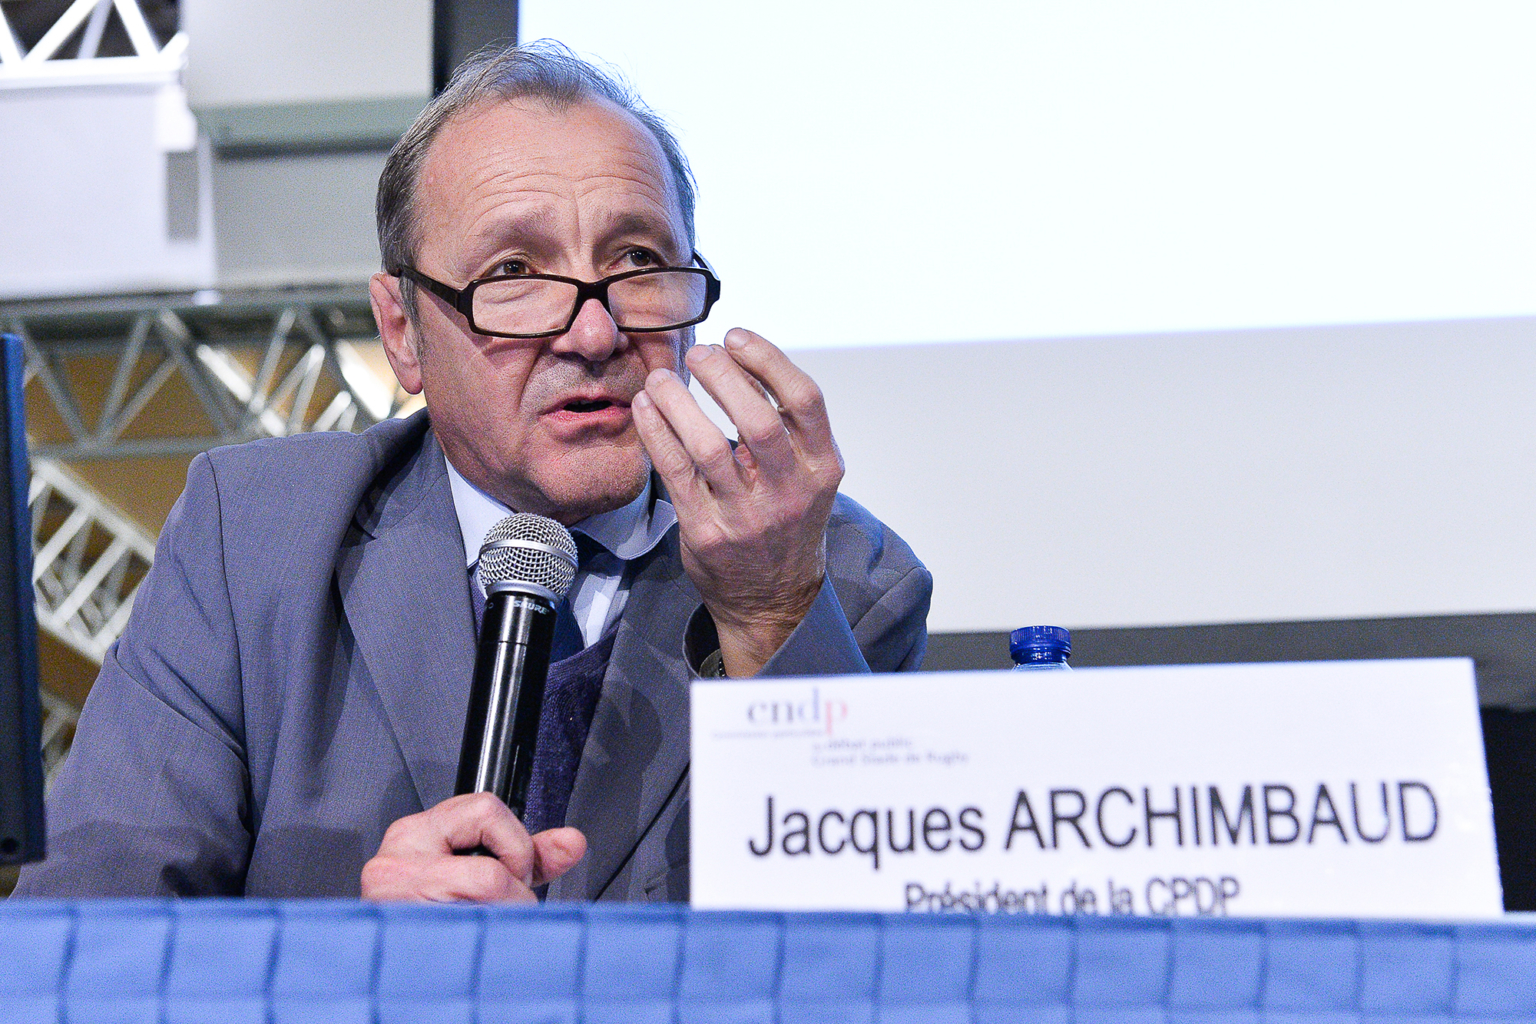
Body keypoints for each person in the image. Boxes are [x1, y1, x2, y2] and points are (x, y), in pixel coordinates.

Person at [15, 42, 930, 902]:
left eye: (639, 260)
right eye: (515, 269)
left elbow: (874, 964)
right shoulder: (251, 542)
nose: (596, 332)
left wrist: (767, 617)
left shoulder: (837, 581)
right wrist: (356, 966)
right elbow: (88, 948)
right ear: (403, 333)